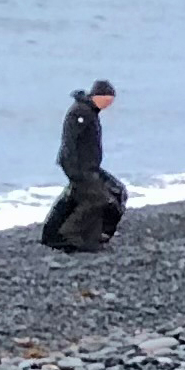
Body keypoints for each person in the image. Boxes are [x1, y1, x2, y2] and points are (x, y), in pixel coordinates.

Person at [40, 79, 125, 254]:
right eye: (108, 100)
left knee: (113, 192)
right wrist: (75, 171)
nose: (109, 105)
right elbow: (70, 143)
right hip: (79, 167)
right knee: (98, 198)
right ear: (98, 96)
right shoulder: (80, 113)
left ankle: (94, 236)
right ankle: (70, 235)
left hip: (89, 166)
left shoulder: (89, 111)